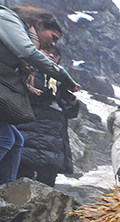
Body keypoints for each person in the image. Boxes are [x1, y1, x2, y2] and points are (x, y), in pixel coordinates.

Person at [0, 5, 79, 186]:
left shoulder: (17, 34)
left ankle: (6, 198)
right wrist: (61, 75)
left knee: (14, 140)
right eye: (53, 37)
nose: (53, 44)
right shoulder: (6, 18)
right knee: (0, 138)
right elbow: (26, 51)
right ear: (39, 25)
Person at [16, 45, 79, 187]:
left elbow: (69, 112)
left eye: (55, 55)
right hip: (31, 129)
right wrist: (48, 94)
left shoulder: (59, 81)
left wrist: (73, 103)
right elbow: (29, 95)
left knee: (48, 176)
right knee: (24, 171)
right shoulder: (27, 71)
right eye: (47, 51)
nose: (51, 56)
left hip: (54, 137)